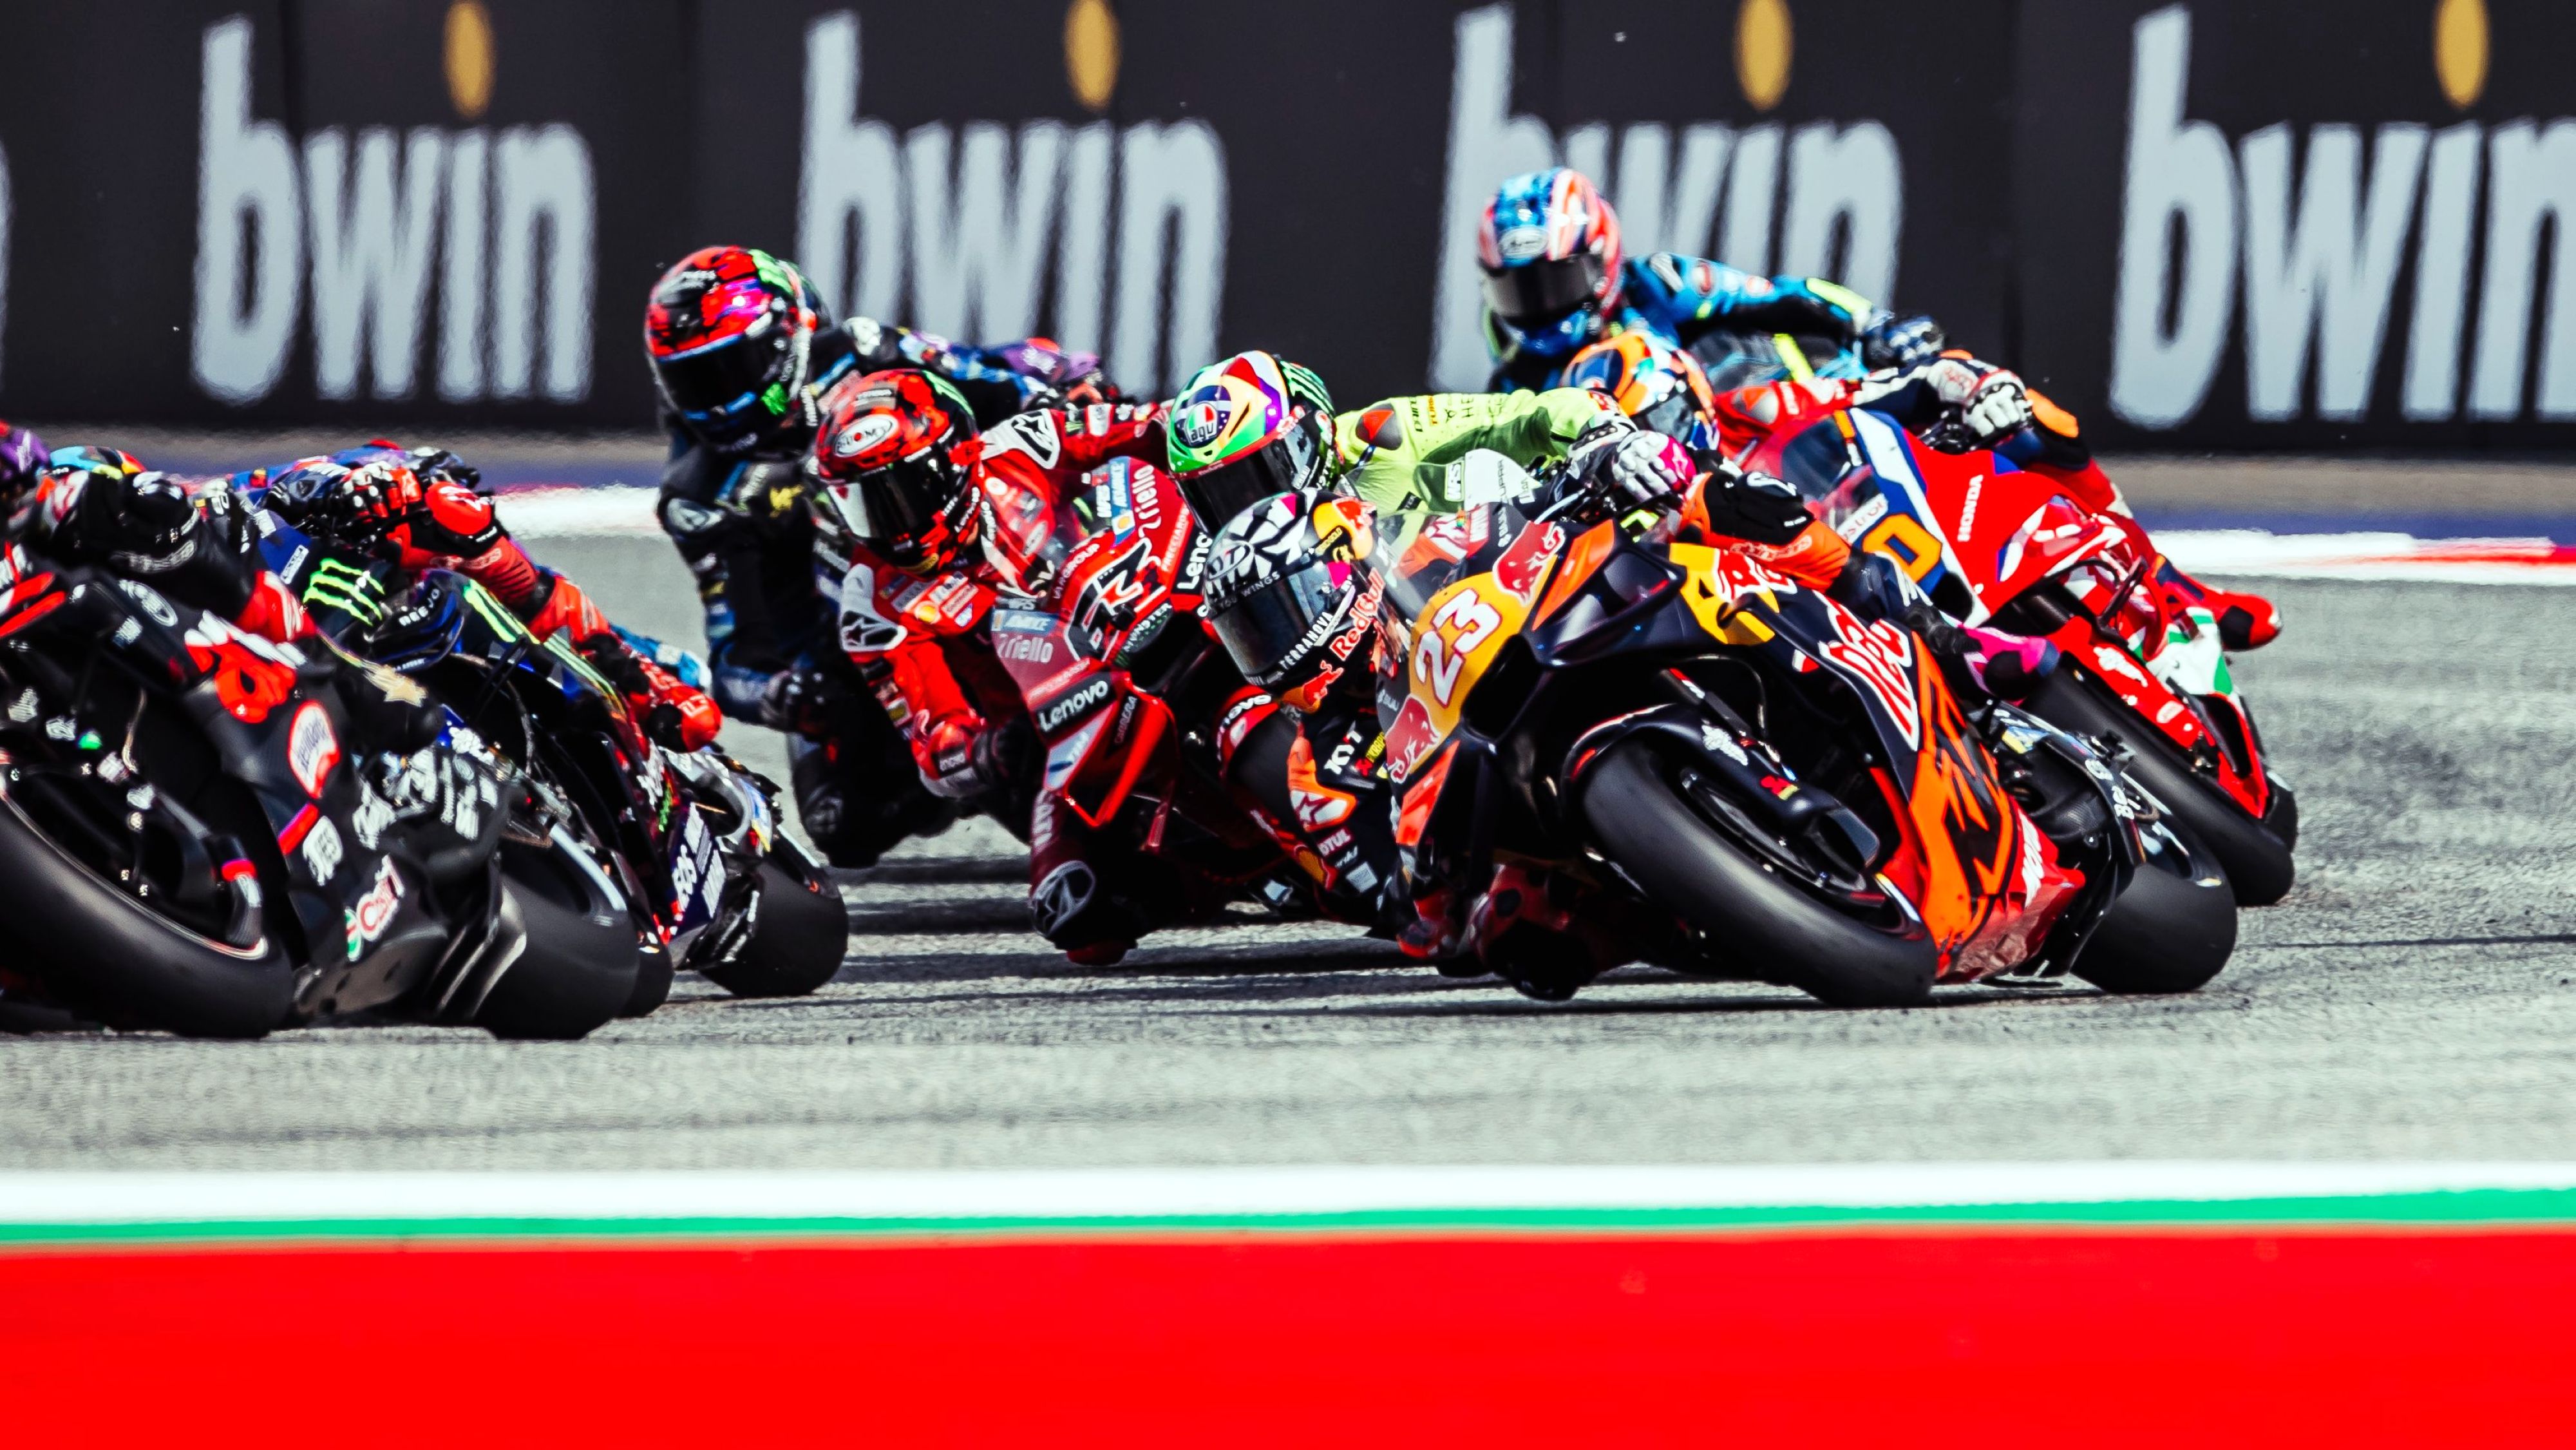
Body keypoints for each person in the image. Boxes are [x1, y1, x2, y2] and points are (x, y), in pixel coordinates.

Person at [645, 243, 1109, 864]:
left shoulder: (862, 349)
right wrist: (786, 692)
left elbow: (998, 372)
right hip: (845, 644)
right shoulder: (699, 496)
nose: (715, 400)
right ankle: (967, 762)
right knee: (842, 826)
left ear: (785, 338)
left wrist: (1062, 388)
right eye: (693, 381)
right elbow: (734, 660)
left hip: (979, 536)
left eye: (729, 370)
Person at [808, 369, 1188, 959]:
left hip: (1155, 606)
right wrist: (990, 750)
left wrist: (1205, 427)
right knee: (1079, 920)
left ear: (956, 459)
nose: (893, 523)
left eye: (904, 492)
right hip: (1065, 733)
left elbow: (1153, 427)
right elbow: (933, 747)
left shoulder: (1024, 442)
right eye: (867, 505)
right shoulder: (872, 601)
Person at [258, 443, 721, 751]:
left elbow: (278, 482)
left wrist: (347, 488)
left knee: (451, 524)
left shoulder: (242, 502)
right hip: (315, 662)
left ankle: (637, 670)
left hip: (384, 532)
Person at [1477, 166, 1946, 395]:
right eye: (1519, 292)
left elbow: (1783, 297)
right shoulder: (1514, 379)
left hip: (1760, 445)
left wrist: (1872, 324)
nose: (1543, 306)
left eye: (1556, 282)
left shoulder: (1657, 283)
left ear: (1602, 256)